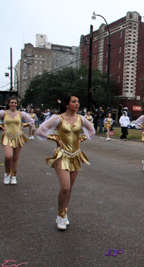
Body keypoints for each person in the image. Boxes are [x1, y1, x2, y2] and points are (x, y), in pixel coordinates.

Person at [36, 93, 95, 230]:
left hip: (75, 156)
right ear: (67, 104)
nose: (77, 104)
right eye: (74, 101)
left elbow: (92, 131)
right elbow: (40, 131)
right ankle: (60, 214)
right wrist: (55, 138)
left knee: (70, 188)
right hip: (61, 155)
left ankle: (64, 214)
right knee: (65, 187)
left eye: (78, 101)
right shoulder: (58, 118)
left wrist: (82, 138)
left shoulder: (81, 119)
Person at [1, 97, 35, 185]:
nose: (13, 104)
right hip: (7, 136)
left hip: (18, 137)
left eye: (15, 103)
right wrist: (1, 127)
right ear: (8, 103)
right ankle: (7, 173)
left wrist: (23, 125)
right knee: (8, 156)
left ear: (17, 104)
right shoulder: (3, 113)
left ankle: (13, 176)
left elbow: (31, 121)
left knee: (15, 158)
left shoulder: (21, 114)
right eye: (11, 102)